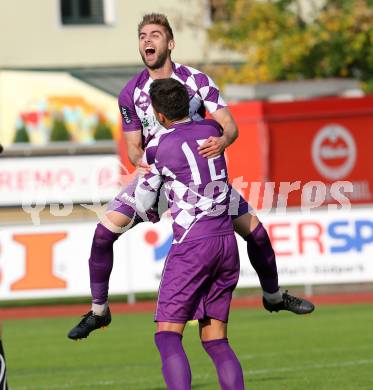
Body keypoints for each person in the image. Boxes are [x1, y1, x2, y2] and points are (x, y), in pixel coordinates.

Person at [67, 13, 314, 340]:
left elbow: (230, 126)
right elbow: (132, 147)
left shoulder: (197, 80)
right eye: (142, 36)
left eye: (155, 35)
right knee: (102, 234)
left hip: (199, 183)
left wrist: (223, 140)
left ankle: (273, 296)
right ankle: (99, 311)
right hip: (156, 180)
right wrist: (148, 164)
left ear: (170, 43)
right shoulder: (130, 93)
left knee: (255, 233)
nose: (147, 41)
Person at [137, 77, 245, 390]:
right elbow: (226, 130)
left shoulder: (158, 145)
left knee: (168, 336)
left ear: (158, 115)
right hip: (226, 241)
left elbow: (144, 201)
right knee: (216, 340)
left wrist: (153, 212)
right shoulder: (211, 130)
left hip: (193, 244)